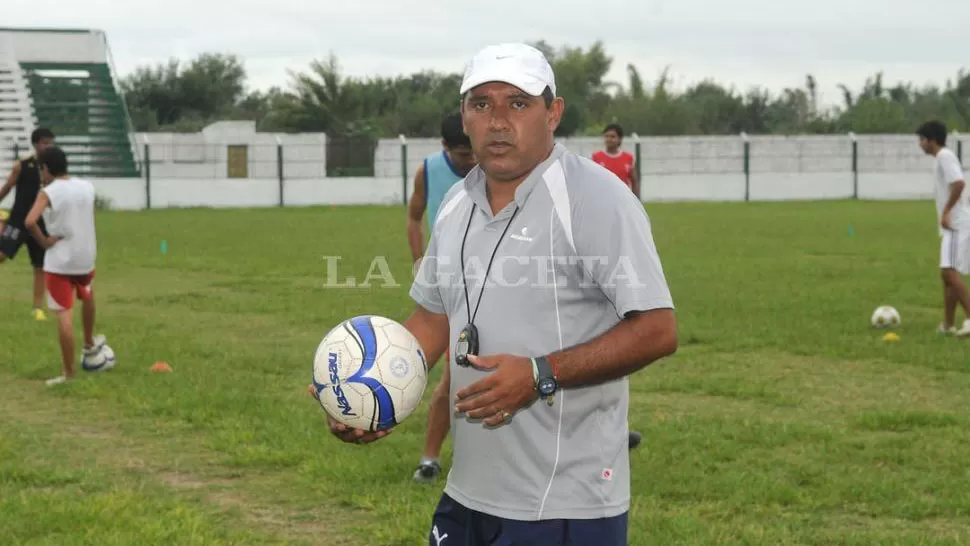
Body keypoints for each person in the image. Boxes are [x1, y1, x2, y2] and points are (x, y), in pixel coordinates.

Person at [315, 42, 677, 545]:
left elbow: (657, 329)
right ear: (464, 117)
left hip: (564, 503)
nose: (498, 120)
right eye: (481, 104)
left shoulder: (597, 199)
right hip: (468, 493)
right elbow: (433, 320)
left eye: (519, 103)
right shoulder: (456, 205)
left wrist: (539, 374)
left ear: (554, 113)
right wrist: (372, 391)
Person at [407, 113, 478, 484]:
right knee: (453, 377)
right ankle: (430, 458)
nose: (471, 161)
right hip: (454, 283)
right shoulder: (429, 171)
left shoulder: (499, 169)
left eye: (473, 152)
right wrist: (421, 260)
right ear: (446, 148)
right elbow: (413, 217)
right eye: (462, 154)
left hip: (501, 279)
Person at [23, 146, 106, 386]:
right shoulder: (86, 186)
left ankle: (68, 373)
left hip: (60, 261)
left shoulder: (49, 191)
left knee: (64, 313)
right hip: (86, 256)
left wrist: (44, 242)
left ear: (46, 169)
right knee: (87, 296)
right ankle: (89, 344)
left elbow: (30, 221)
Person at [917, 120, 970, 336]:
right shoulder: (941, 158)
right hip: (952, 225)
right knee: (946, 274)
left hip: (956, 224)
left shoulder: (945, 156)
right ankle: (948, 325)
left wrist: (947, 211)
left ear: (931, 140)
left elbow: (959, 183)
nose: (920, 144)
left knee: (949, 272)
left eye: (922, 140)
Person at [0, 127, 57, 321]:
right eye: (45, 142)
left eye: (51, 143)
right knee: (1, 255)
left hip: (39, 224)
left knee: (40, 265)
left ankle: (37, 308)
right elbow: (8, 187)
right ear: (35, 144)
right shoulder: (23, 165)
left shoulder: (53, 169)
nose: (48, 146)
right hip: (17, 221)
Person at [592, 123, 639, 197]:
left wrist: (636, 202)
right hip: (603, 199)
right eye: (606, 136)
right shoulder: (596, 157)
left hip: (623, 199)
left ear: (619, 139)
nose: (609, 139)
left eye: (612, 137)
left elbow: (634, 181)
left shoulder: (629, 158)